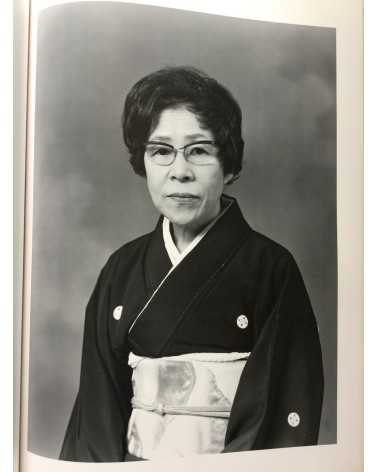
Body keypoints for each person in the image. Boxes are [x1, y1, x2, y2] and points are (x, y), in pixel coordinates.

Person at [60, 66, 324, 462]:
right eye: (161, 151)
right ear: (143, 162)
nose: (179, 171)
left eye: (199, 150)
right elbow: (97, 411)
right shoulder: (121, 269)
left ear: (229, 165)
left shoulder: (270, 268)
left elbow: (279, 408)